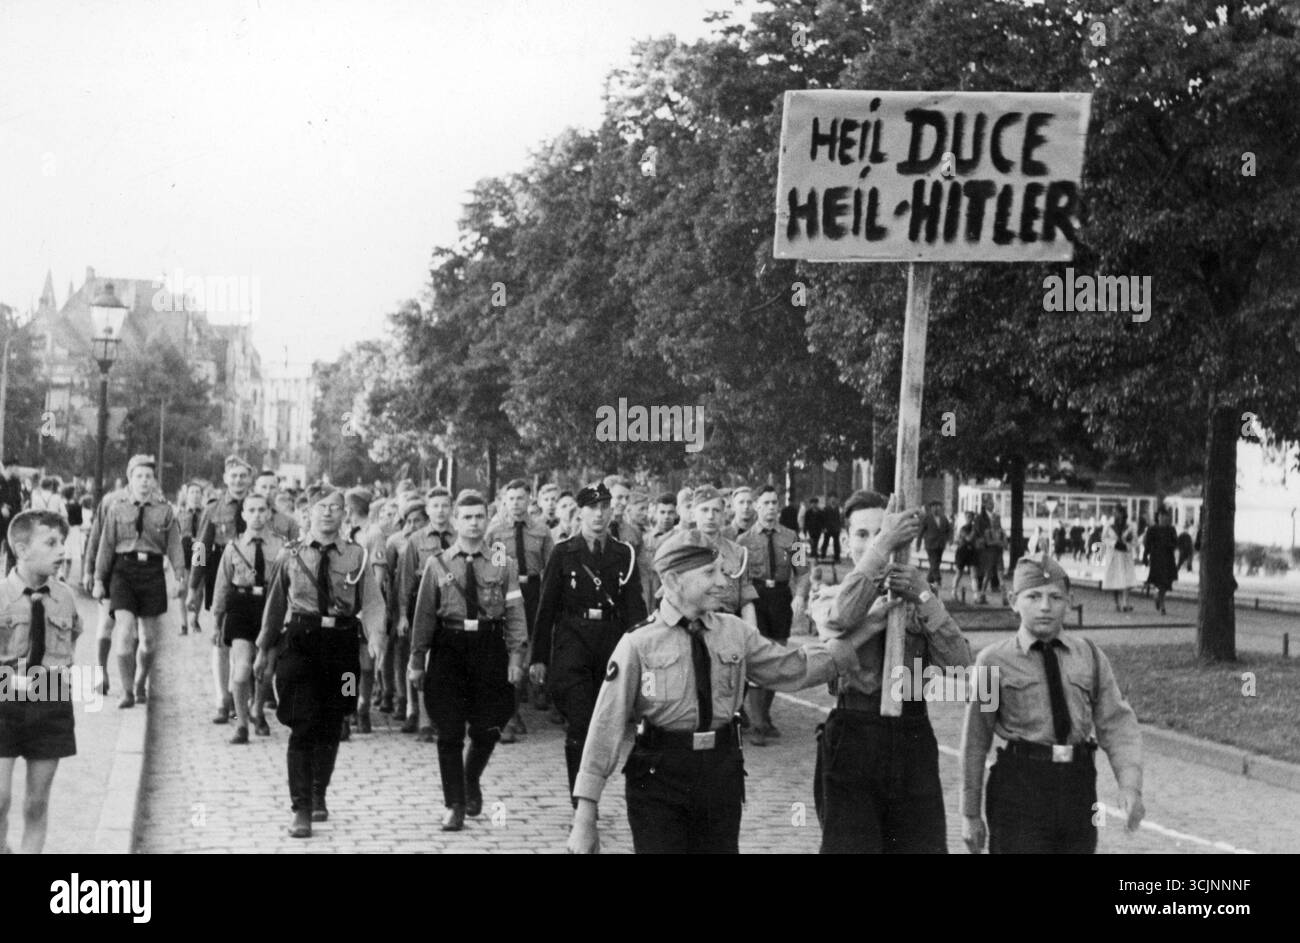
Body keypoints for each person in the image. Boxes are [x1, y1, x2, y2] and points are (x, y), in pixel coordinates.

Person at [566, 538, 869, 854]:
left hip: (720, 773)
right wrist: (585, 817)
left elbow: (789, 668)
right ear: (672, 580)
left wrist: (856, 641)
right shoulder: (638, 643)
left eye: (723, 572)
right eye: (710, 573)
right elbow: (605, 727)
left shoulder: (734, 631)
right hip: (658, 777)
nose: (724, 582)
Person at [809, 491, 973, 854]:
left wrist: (924, 597)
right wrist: (884, 545)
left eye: (880, 531)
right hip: (855, 732)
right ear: (845, 540)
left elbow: (960, 663)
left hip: (912, 735)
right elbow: (840, 619)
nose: (871, 541)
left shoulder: (917, 597)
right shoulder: (828, 595)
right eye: (862, 534)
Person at [961, 553, 1144, 854]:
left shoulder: (1089, 656)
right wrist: (969, 813)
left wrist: (1130, 785)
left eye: (1055, 597)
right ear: (1012, 600)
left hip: (1078, 786)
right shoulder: (993, 661)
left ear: (1069, 601)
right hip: (1019, 787)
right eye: (1033, 596)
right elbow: (975, 740)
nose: (1045, 607)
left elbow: (1117, 724)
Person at [253, 485, 384, 838]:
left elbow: (371, 601)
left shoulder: (357, 556)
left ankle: (318, 792)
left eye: (336, 507)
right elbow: (275, 606)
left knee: (335, 719)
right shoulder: (290, 555)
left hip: (342, 647)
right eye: (321, 507)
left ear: (345, 514)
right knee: (302, 723)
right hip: (300, 641)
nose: (328, 513)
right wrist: (264, 649)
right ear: (308, 511)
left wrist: (375, 636)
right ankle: (301, 808)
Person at [408, 490, 528, 831]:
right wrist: (417, 659)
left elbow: (515, 612)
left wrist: (517, 654)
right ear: (455, 521)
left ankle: (470, 777)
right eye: (467, 517)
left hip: (489, 646)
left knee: (488, 726)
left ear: (488, 519)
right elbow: (425, 617)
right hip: (449, 646)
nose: (474, 523)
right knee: (448, 729)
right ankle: (455, 804)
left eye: (479, 516)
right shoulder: (438, 564)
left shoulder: (504, 563)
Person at [530, 482, 646, 804]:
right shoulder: (564, 552)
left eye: (604, 508)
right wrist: (538, 657)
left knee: (607, 726)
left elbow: (635, 606)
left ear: (611, 513)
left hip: (612, 643)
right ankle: (580, 802)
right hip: (573, 641)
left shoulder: (624, 554)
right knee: (580, 725)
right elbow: (547, 607)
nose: (599, 514)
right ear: (579, 512)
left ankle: (590, 792)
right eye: (592, 508)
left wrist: (645, 651)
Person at [0, 510, 82, 854]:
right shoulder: (1, 595)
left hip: (50, 705)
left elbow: (73, 635)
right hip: (4, 701)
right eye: (50, 542)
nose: (61, 549)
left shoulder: (64, 596)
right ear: (21, 549)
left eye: (62, 541)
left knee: (36, 803)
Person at [93, 455, 184, 708]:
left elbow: (175, 545)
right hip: (124, 571)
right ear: (130, 479)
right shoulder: (116, 507)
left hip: (152, 571)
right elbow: (106, 545)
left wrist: (179, 576)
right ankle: (127, 691)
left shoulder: (165, 510)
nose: (144, 481)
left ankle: (141, 680)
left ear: (154, 481)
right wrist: (99, 578)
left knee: (148, 639)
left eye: (148, 476)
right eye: (139, 476)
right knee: (125, 629)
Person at [738, 484, 807, 746]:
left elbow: (802, 573)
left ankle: (764, 717)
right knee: (757, 658)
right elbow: (739, 576)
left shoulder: (792, 538)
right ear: (756, 507)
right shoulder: (743, 540)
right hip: (755, 598)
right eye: (765, 503)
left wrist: (800, 595)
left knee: (777, 658)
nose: (770, 508)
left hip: (780, 598)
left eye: (774, 503)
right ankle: (756, 724)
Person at [484, 478, 553, 743]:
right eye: (511, 499)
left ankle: (516, 708)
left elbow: (551, 566)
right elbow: (490, 567)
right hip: (504, 592)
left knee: (527, 652)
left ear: (529, 500)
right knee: (509, 649)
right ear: (504, 501)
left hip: (533, 590)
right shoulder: (495, 531)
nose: (516, 504)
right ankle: (509, 715)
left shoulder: (542, 531)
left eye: (521, 498)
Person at [211, 493, 283, 743]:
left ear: (269, 513)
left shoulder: (282, 547)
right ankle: (241, 724)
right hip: (241, 606)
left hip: (271, 606)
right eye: (251, 510)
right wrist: (217, 621)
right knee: (241, 671)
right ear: (243, 515)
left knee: (265, 670)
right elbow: (222, 587)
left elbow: (289, 583)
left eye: (262, 510)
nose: (257, 515)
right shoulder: (233, 547)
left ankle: (258, 709)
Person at [189, 456, 254, 722]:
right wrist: (194, 585)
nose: (238, 480)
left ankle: (243, 698)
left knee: (249, 640)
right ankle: (222, 699)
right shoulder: (214, 508)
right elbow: (202, 548)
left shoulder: (259, 506)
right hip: (221, 575)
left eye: (243, 476)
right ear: (226, 479)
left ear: (249, 479)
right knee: (221, 640)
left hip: (252, 579)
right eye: (234, 476)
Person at [396, 487, 456, 738]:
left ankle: (446, 717)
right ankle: (421, 717)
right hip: (422, 603)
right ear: (428, 510)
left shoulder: (460, 536)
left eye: (445, 505)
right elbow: (405, 580)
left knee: (447, 664)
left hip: (452, 604)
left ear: (451, 508)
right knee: (420, 659)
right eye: (435, 506)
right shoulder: (416, 540)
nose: (440, 510)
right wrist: (401, 615)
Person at [640, 493, 678, 613]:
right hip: (646, 592)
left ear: (676, 514)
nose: (666, 516)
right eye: (662, 512)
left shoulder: (679, 539)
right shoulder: (644, 539)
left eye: (670, 512)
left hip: (668, 593)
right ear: (655, 513)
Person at [1142, 508, 1179, 615]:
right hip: (1156, 558)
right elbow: (1147, 544)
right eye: (1161, 516)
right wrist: (1145, 556)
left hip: (1168, 558)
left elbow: (1175, 542)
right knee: (1159, 581)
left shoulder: (1171, 529)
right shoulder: (1152, 529)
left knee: (1166, 582)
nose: (1164, 518)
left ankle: (1159, 598)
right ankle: (1161, 602)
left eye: (1166, 516)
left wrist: (1171, 545)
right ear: (1158, 517)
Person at [973, 494, 1007, 605]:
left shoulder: (995, 531)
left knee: (992, 576)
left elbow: (994, 542)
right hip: (994, 555)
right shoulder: (996, 531)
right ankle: (1001, 597)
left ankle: (987, 595)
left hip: (993, 555)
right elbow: (1002, 543)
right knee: (994, 576)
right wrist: (999, 543)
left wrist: (997, 542)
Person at [1102, 507, 1137, 612]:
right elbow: (1103, 538)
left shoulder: (1130, 526)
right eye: (1115, 513)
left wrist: (1127, 545)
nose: (1117, 515)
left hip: (1125, 555)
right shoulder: (1109, 525)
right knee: (1115, 579)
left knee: (1126, 579)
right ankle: (1116, 602)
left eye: (1119, 513)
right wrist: (1113, 543)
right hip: (1114, 555)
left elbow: (1135, 540)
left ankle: (1125, 603)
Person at [916, 500, 952, 589]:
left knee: (937, 562)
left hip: (940, 544)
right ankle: (938, 580)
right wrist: (918, 544)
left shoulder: (943, 518)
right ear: (931, 508)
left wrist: (950, 539)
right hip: (930, 544)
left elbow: (949, 530)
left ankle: (929, 580)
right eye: (934, 506)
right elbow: (920, 532)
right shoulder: (927, 518)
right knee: (933, 562)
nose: (936, 508)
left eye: (938, 506)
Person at [952, 511, 978, 601]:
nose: (969, 519)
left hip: (972, 552)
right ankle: (953, 591)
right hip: (962, 552)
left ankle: (976, 595)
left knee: (973, 574)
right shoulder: (963, 528)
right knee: (959, 573)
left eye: (971, 517)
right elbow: (968, 538)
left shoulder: (975, 528)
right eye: (968, 517)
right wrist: (974, 531)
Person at [819, 494, 842, 565]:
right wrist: (823, 528)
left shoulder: (839, 509)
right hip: (828, 528)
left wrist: (839, 527)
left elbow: (839, 519)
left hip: (836, 528)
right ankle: (823, 555)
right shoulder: (826, 509)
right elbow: (823, 519)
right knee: (825, 542)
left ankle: (837, 557)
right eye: (832, 499)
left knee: (836, 543)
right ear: (829, 500)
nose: (833, 501)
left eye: (834, 499)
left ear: (836, 500)